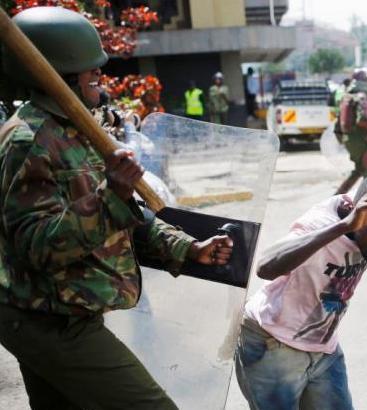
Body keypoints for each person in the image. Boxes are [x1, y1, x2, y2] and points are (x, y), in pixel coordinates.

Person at [0, 8, 234, 409]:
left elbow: (126, 214)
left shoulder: (77, 128)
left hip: (64, 309)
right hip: (48, 319)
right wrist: (111, 197)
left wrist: (185, 248)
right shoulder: (28, 139)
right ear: (58, 71)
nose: (100, 74)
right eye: (91, 67)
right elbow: (37, 247)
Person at [236, 173, 367, 410]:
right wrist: (345, 226)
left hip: (323, 349)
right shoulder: (323, 223)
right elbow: (265, 267)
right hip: (273, 345)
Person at [334, 70, 367, 195]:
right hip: (360, 139)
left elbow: (338, 124)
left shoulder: (346, 97)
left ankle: (338, 196)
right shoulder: (361, 96)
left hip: (349, 139)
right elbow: (363, 120)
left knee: (359, 170)